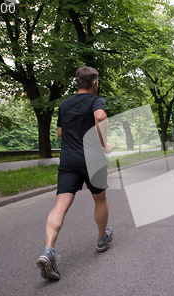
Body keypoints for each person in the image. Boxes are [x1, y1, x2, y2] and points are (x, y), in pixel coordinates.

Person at [36, 67, 113, 280]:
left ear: (77, 83)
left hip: (69, 160)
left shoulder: (64, 104)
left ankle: (48, 250)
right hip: (92, 160)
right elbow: (100, 116)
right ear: (94, 83)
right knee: (99, 199)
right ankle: (101, 238)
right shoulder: (96, 101)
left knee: (60, 205)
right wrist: (104, 144)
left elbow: (60, 132)